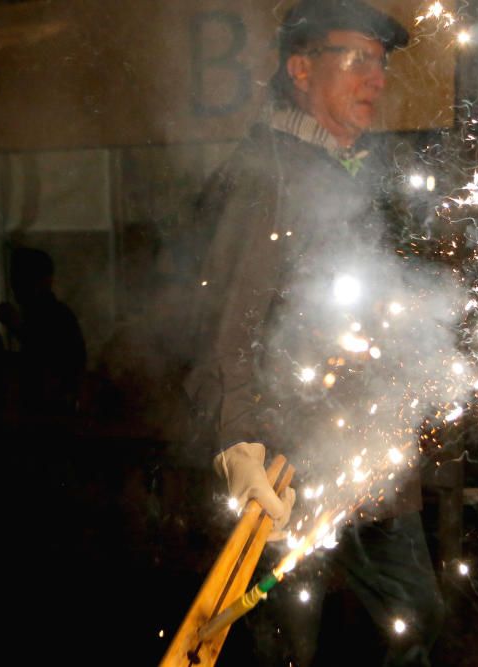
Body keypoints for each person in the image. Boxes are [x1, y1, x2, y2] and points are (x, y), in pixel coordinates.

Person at [183, 2, 444, 664]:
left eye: (379, 62)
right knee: (288, 646)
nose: (376, 79)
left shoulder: (349, 167)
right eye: (355, 59)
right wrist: (241, 445)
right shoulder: (267, 176)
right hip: (290, 464)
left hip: (365, 457)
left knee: (416, 622)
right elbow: (228, 326)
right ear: (301, 69)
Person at [0, 247, 86, 416]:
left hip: (50, 416)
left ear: (44, 280)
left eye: (22, 279)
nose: (15, 287)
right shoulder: (47, 314)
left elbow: (47, 359)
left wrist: (17, 328)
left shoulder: (55, 316)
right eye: (15, 279)